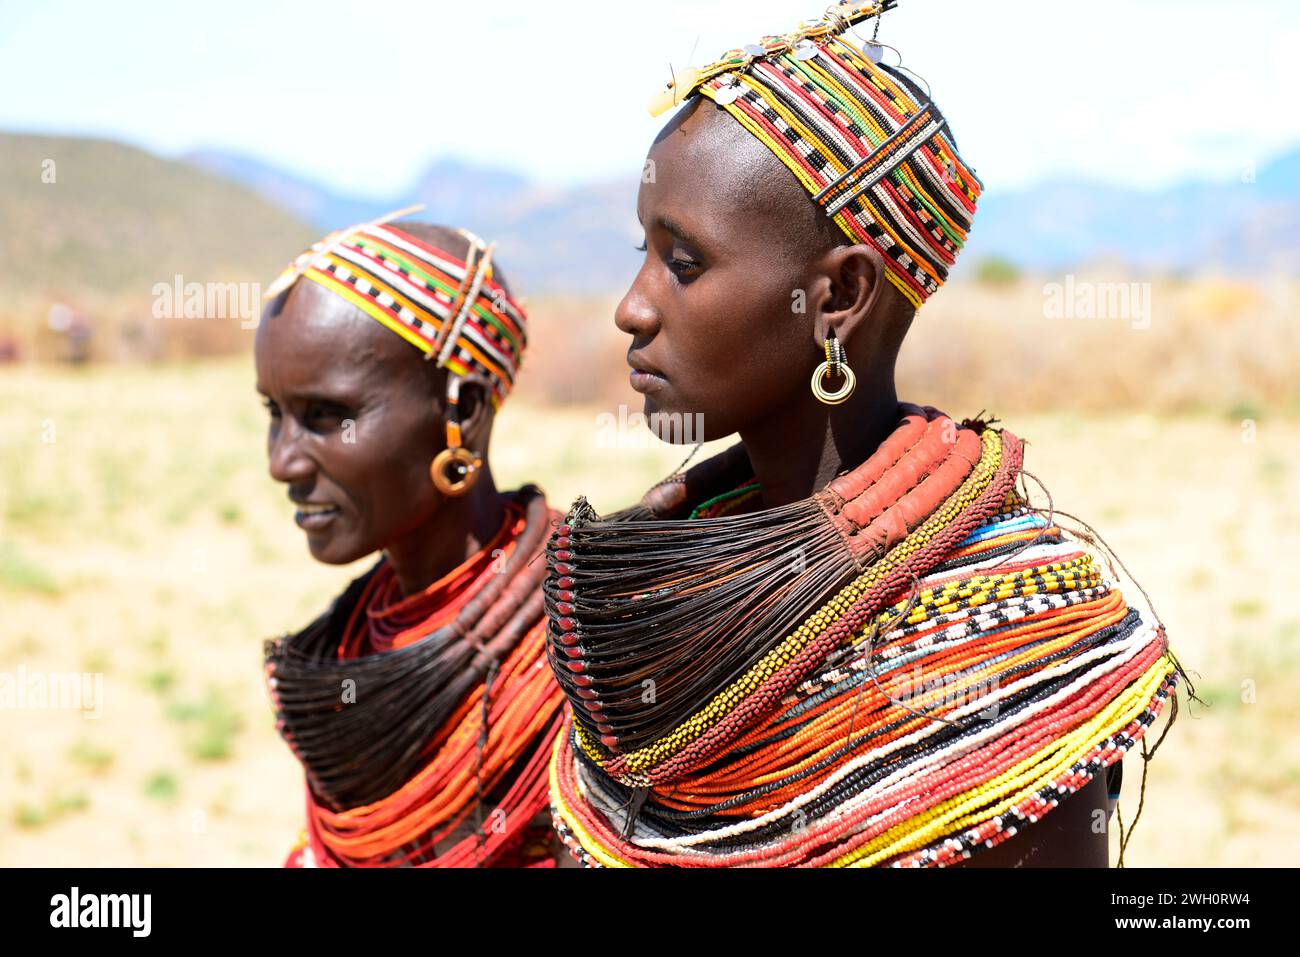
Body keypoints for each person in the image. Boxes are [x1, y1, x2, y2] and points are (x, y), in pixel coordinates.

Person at [543, 0, 1187, 867]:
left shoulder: (1009, 647)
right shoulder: (661, 583)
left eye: (685, 264)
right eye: (642, 258)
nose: (633, 308)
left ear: (840, 297)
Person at [256, 210, 567, 867]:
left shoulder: (582, 643)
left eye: (325, 416)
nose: (282, 462)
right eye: (274, 414)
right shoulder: (353, 638)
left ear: (462, 412)